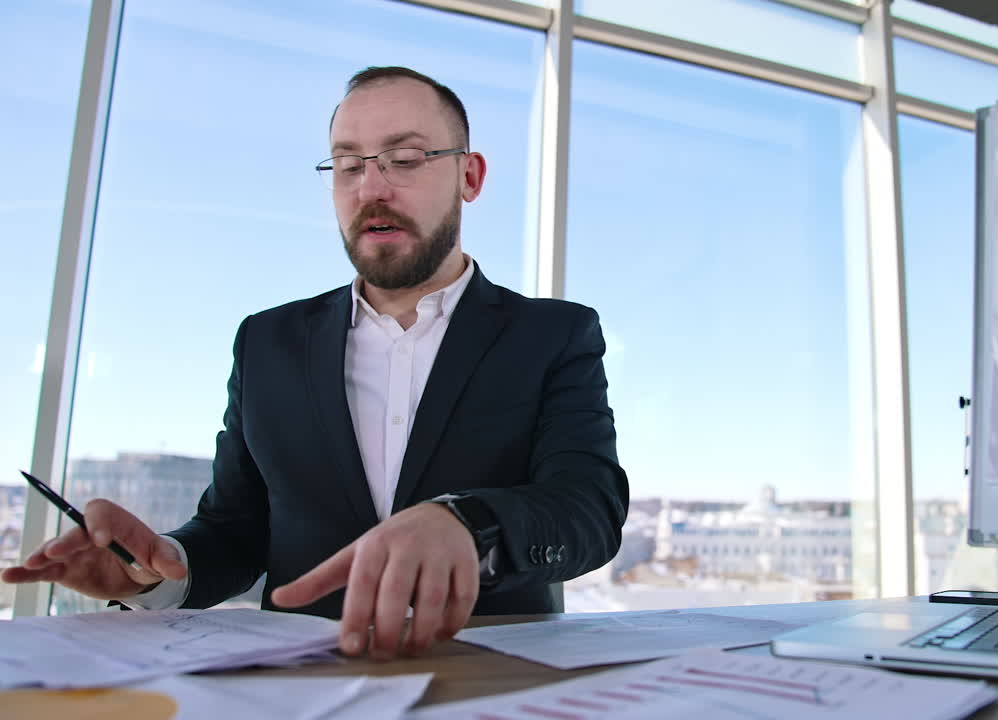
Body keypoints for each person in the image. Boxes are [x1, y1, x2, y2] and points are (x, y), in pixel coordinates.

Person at [2, 67, 628, 659]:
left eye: (404, 160)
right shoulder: (266, 343)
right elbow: (235, 530)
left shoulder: (553, 334)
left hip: (497, 683)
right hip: (305, 689)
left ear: (470, 177)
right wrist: (156, 569)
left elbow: (588, 510)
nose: (371, 188)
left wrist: (470, 525)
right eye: (348, 165)